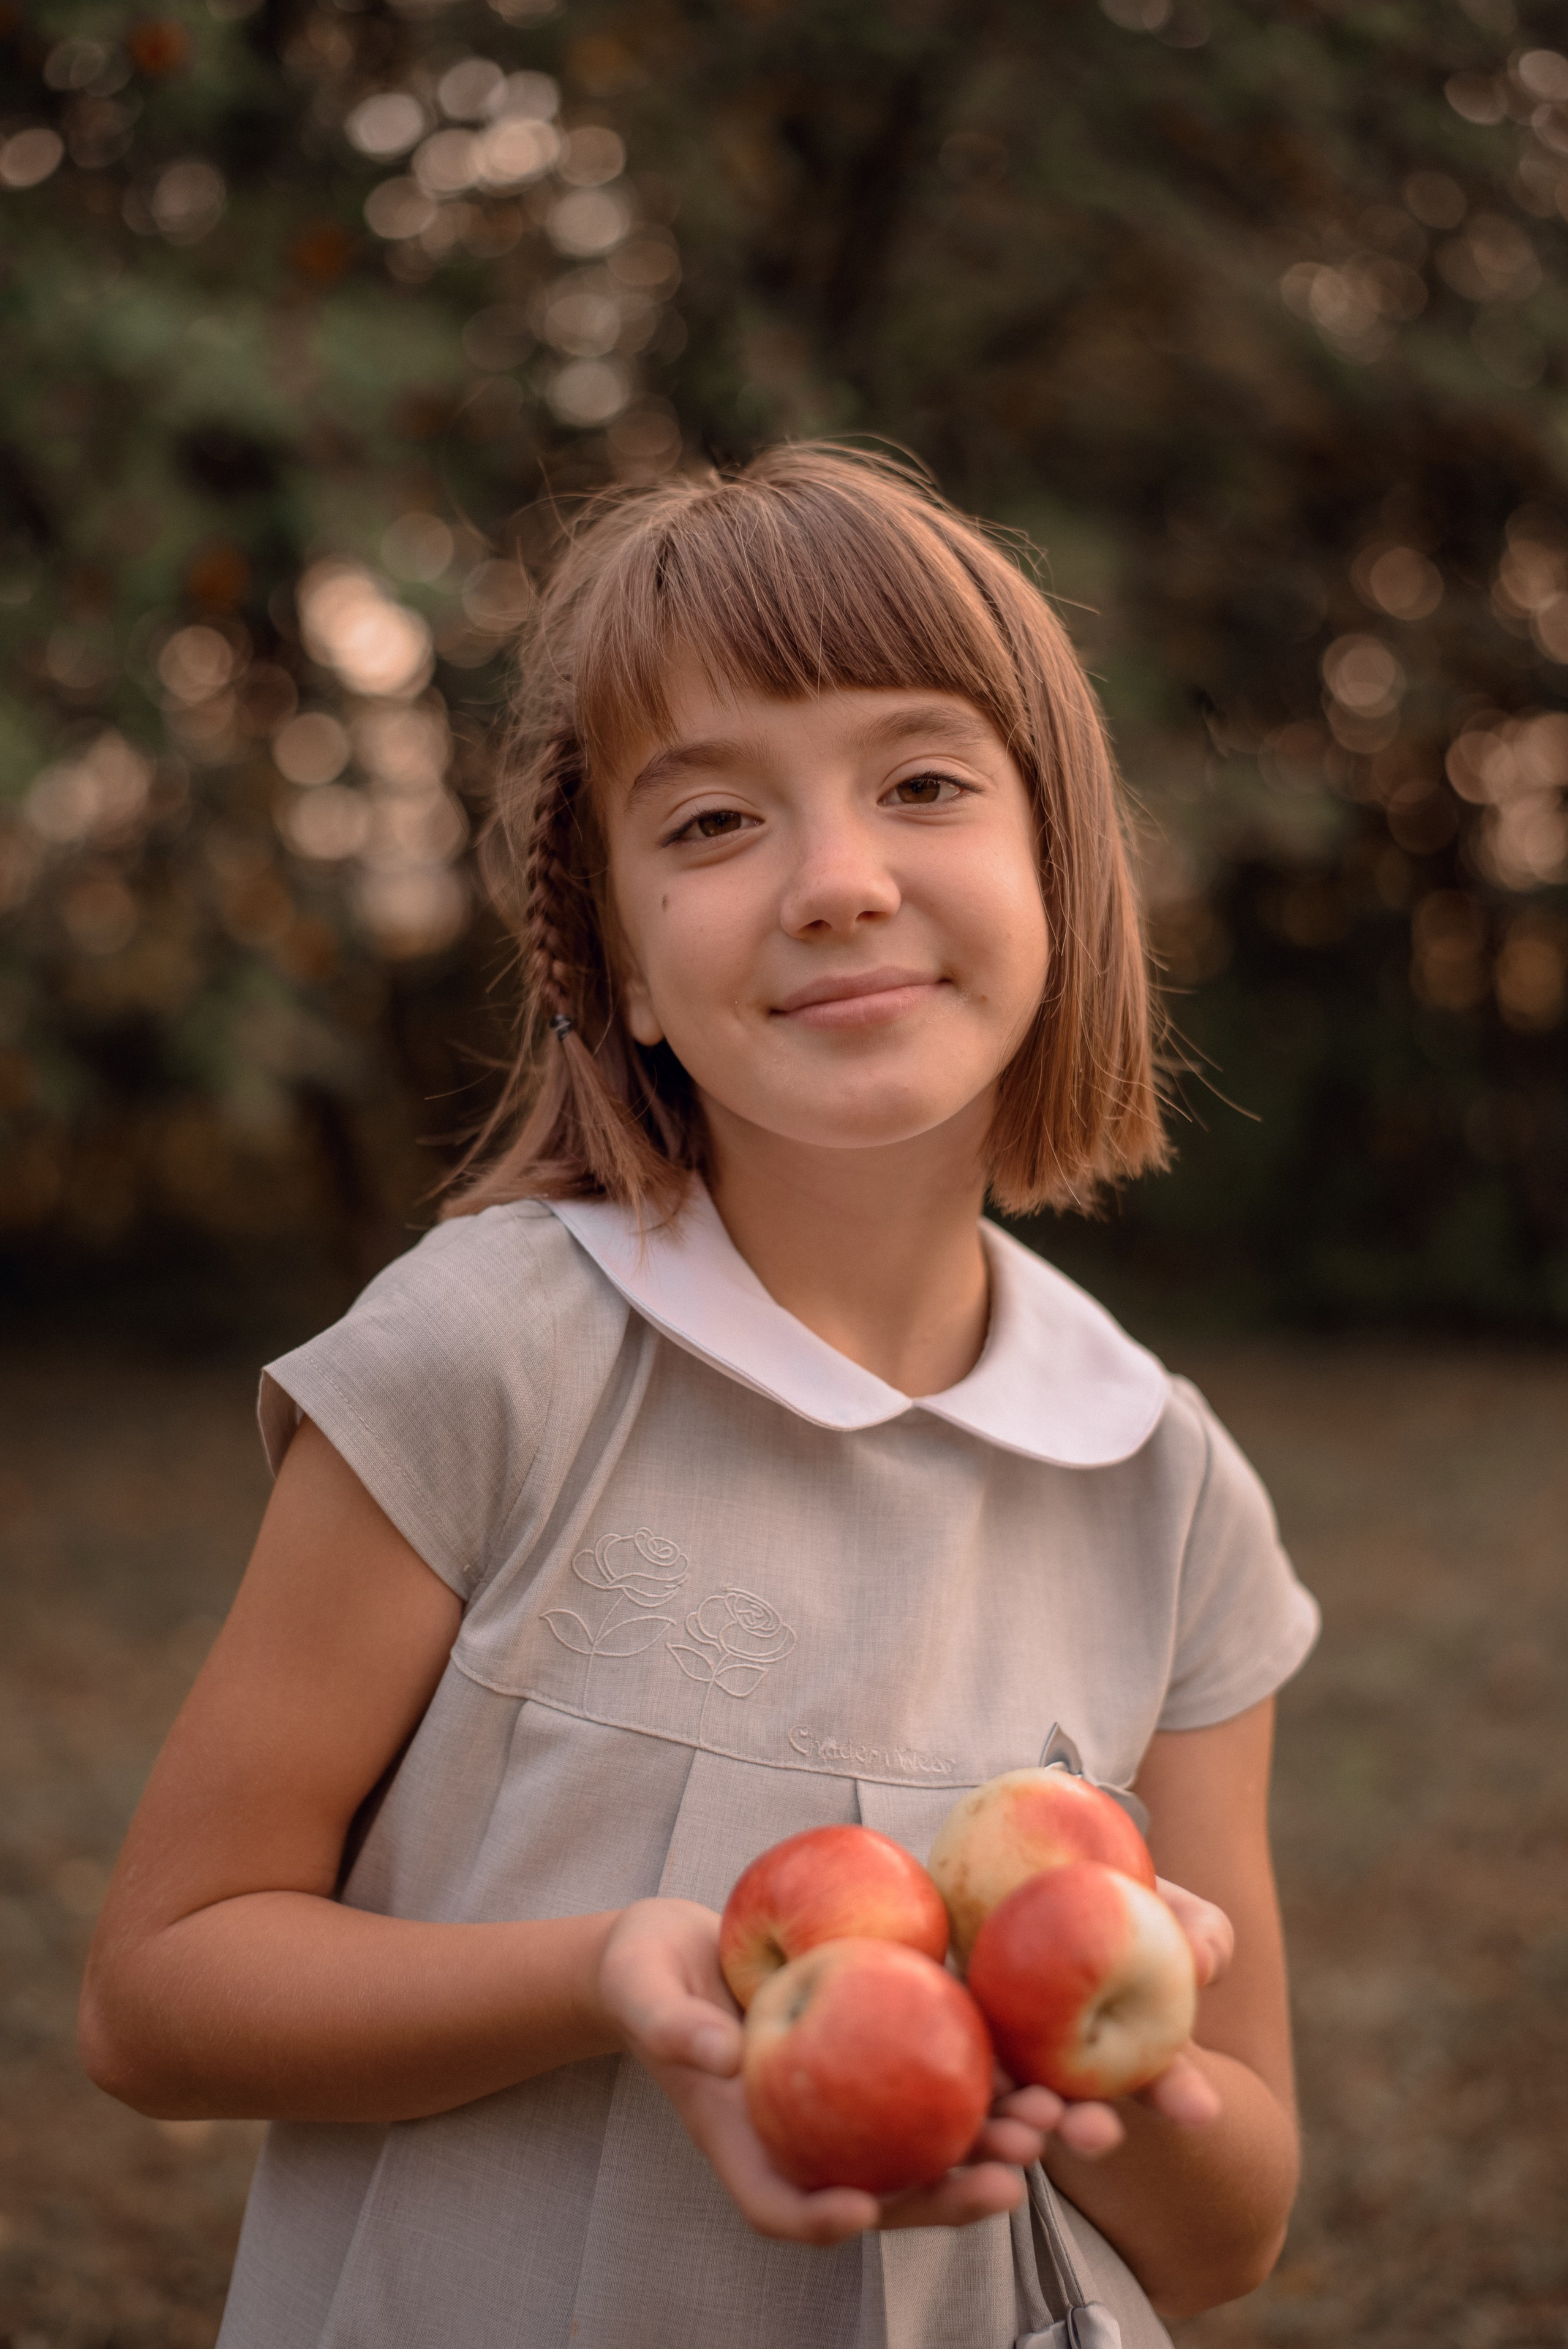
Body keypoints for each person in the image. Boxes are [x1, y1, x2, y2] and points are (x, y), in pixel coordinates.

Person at [80, 444, 1319, 2349]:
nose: (836, 881)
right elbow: (158, 1996)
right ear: (627, 969)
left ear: (1056, 869)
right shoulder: (491, 1356)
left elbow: (1230, 2236)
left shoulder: (1168, 1484)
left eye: (922, 783)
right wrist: (606, 1975)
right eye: (716, 822)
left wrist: (1110, 2045)